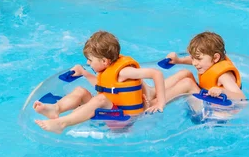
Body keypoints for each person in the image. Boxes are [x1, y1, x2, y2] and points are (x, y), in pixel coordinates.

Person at [33, 31, 166, 134]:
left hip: (125, 120)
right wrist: (84, 73)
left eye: (90, 60)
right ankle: (55, 108)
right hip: (113, 111)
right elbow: (104, 87)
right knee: (80, 91)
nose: (88, 63)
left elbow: (156, 73)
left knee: (101, 99)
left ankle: (62, 124)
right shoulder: (108, 68)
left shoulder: (124, 72)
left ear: (104, 61)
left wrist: (160, 102)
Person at [147, 31, 245, 109]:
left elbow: (241, 97)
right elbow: (196, 59)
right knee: (185, 73)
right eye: (193, 58)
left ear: (215, 58)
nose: (194, 63)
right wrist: (178, 60)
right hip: (206, 98)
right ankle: (153, 92)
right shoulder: (211, 60)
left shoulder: (224, 76)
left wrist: (222, 91)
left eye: (198, 59)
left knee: (187, 83)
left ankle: (154, 103)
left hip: (214, 113)